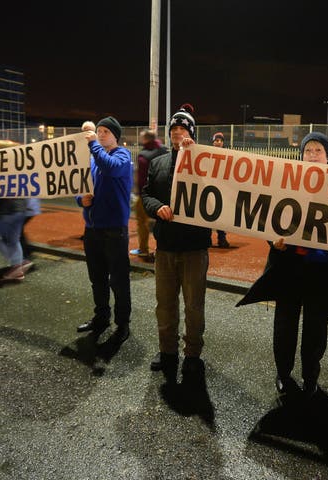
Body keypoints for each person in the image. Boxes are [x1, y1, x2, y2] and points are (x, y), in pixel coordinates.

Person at [236, 132, 328, 400]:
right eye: (308, 150)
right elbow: (267, 216)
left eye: (318, 150)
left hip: (321, 272)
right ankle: (284, 374)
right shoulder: (285, 184)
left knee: (315, 329)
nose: (312, 155)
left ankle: (311, 377)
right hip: (289, 268)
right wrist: (273, 241)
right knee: (285, 325)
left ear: (327, 157)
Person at [141, 104, 211, 382]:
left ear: (191, 133)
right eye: (174, 129)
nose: (177, 132)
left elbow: (218, 194)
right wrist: (157, 207)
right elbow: (146, 195)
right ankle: (167, 351)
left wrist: (196, 156)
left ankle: (192, 354)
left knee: (194, 306)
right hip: (166, 247)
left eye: (183, 128)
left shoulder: (206, 163)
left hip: (195, 247)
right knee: (165, 303)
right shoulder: (158, 163)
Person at [75, 116, 133, 343]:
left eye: (105, 132)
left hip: (114, 230)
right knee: (97, 278)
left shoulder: (122, 156)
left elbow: (110, 169)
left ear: (115, 136)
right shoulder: (92, 159)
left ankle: (122, 324)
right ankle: (101, 317)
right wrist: (81, 200)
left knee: (118, 281)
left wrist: (93, 144)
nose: (100, 135)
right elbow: (80, 187)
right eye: (98, 131)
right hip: (92, 228)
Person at [0, 140, 28, 282]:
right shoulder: (18, 165)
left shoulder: (1, 168)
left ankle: (15, 263)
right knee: (13, 239)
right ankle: (17, 266)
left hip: (7, 211)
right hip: (20, 208)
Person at [129, 129, 166, 260]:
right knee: (162, 222)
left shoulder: (143, 155)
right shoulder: (164, 150)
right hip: (162, 193)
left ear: (146, 139)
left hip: (145, 194)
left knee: (142, 221)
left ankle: (143, 249)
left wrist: (139, 192)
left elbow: (142, 177)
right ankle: (161, 250)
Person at [211, 131, 231, 248]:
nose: (218, 142)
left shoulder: (228, 154)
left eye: (220, 141)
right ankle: (207, 238)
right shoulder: (207, 153)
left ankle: (221, 238)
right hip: (210, 187)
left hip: (222, 188)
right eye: (216, 140)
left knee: (220, 214)